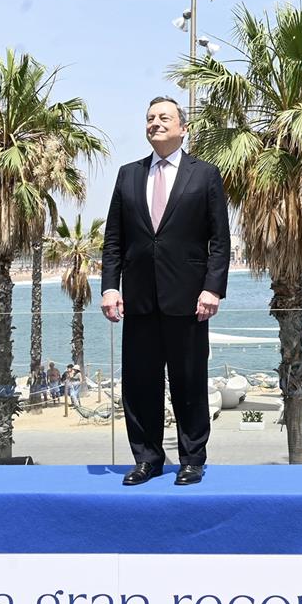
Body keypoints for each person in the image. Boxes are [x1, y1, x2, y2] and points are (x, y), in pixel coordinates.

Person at [101, 95, 231, 487]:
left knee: (189, 380)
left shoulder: (205, 174)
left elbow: (220, 241)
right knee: (140, 384)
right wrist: (110, 287)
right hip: (139, 299)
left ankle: (192, 459)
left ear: (182, 127)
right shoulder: (128, 175)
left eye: (164, 117)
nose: (155, 123)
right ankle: (147, 458)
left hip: (189, 299)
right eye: (150, 118)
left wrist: (213, 289)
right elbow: (113, 240)